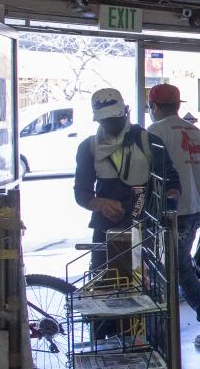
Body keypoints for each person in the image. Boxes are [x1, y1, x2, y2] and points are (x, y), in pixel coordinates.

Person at [146, 83, 200, 347]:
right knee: (180, 269)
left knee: (176, 272)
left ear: (154, 107)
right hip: (193, 209)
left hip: (169, 214)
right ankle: (168, 331)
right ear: (178, 106)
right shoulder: (195, 132)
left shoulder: (154, 132)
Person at [74, 87, 181, 278]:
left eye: (115, 119)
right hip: (105, 231)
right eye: (105, 121)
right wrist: (100, 203)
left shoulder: (149, 142)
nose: (111, 125)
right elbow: (81, 192)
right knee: (105, 287)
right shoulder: (89, 148)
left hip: (145, 231)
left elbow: (172, 181)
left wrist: (169, 200)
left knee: (146, 291)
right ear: (98, 119)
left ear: (126, 112)